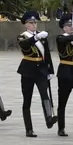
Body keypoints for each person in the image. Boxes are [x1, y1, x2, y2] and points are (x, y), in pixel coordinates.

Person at [15, 9, 56, 137]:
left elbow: (47, 54)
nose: (33, 24)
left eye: (35, 22)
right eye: (31, 22)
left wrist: (50, 70)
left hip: (41, 69)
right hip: (28, 70)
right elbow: (25, 45)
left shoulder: (41, 35)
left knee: (45, 94)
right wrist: (36, 37)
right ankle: (29, 128)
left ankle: (49, 117)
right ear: (26, 24)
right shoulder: (22, 36)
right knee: (27, 99)